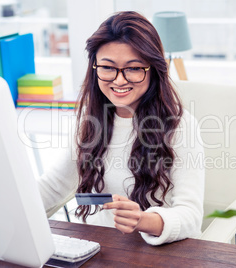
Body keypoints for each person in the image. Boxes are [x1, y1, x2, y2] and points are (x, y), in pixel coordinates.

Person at [37, 11, 204, 246]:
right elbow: (53, 187)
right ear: (95, 68)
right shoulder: (89, 120)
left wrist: (142, 220)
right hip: (98, 249)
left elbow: (190, 216)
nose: (119, 80)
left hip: (157, 254)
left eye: (133, 68)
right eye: (108, 67)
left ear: (153, 70)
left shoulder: (180, 124)